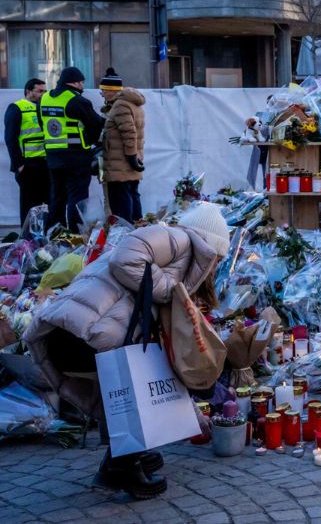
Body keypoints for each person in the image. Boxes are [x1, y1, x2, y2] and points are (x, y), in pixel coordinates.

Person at [24, 202, 231, 499]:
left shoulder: (176, 256)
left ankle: (126, 457)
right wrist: (170, 291)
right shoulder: (178, 240)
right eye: (218, 257)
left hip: (76, 334)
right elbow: (125, 257)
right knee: (130, 382)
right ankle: (121, 465)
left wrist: (193, 418)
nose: (216, 265)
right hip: (79, 335)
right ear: (210, 246)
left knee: (131, 379)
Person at [40, 67, 104, 232]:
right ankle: (76, 235)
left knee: (57, 197)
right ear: (75, 82)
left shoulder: (45, 98)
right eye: (82, 82)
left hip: (53, 157)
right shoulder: (77, 100)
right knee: (77, 198)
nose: (83, 86)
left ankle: (55, 233)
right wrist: (91, 142)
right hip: (76, 158)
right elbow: (95, 123)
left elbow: (43, 124)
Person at [98, 71, 146, 223]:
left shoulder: (120, 106)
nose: (102, 94)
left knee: (120, 201)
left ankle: (125, 231)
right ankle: (137, 227)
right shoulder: (132, 104)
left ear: (111, 91)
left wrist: (131, 157)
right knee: (132, 194)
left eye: (103, 91)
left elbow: (129, 133)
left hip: (120, 163)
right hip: (129, 161)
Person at [5, 78, 49, 226]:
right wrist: (19, 165)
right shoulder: (17, 107)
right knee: (29, 206)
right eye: (40, 91)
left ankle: (46, 239)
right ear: (28, 91)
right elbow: (10, 138)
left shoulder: (46, 108)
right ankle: (28, 241)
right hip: (29, 165)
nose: (43, 94)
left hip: (46, 163)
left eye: (45, 91)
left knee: (49, 204)